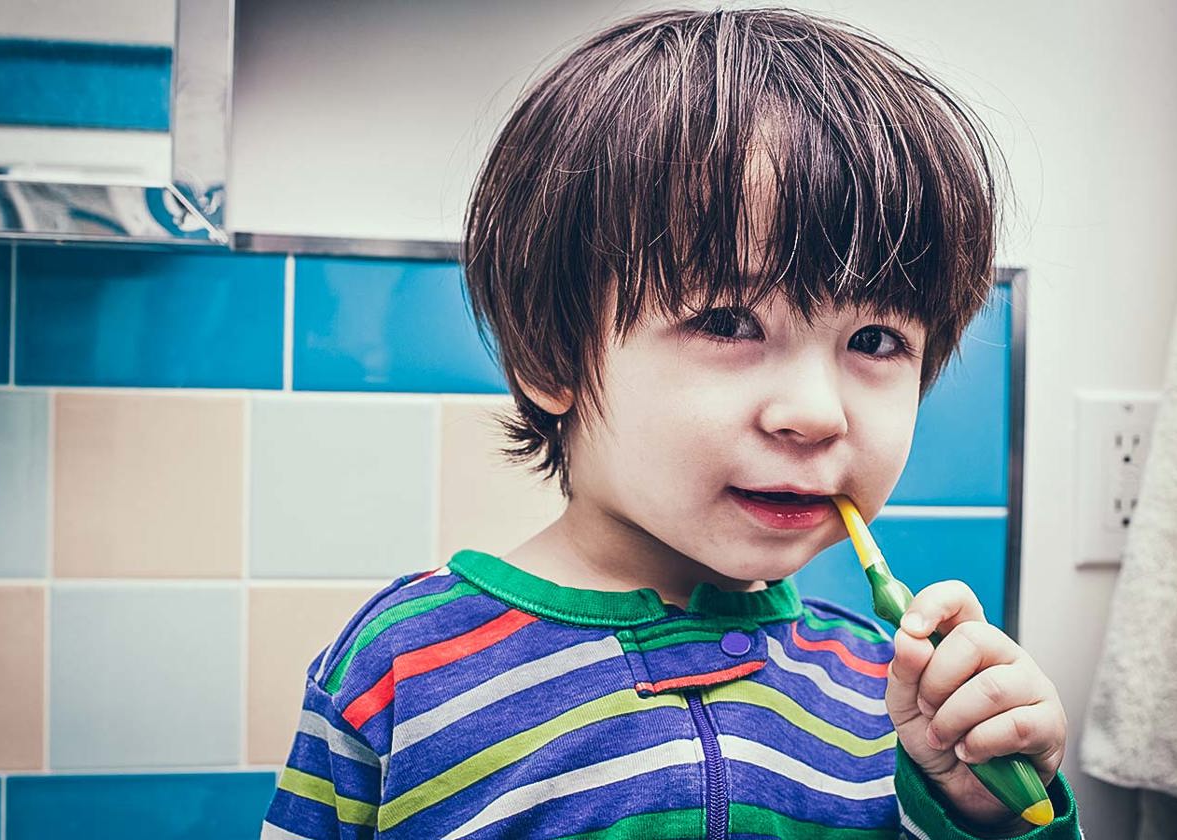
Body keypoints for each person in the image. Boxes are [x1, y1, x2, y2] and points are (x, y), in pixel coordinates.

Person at [262, 8, 1081, 838]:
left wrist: (985, 815)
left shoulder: (896, 701)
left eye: (874, 340)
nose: (815, 413)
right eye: (728, 323)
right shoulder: (399, 669)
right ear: (551, 356)